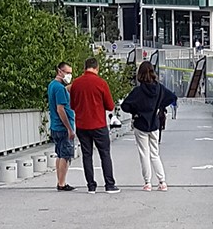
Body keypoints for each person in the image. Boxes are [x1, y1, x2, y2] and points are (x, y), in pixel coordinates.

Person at [119, 61, 177, 192]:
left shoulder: (138, 91)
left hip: (141, 125)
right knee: (155, 153)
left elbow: (125, 106)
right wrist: (160, 106)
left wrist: (135, 112)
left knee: (144, 153)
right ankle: (162, 182)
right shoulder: (160, 89)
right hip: (155, 124)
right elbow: (172, 97)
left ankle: (148, 182)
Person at [70, 57, 118, 193]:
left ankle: (91, 186)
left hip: (82, 125)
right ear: (97, 68)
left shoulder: (76, 83)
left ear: (85, 67)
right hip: (98, 124)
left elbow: (73, 105)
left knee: (87, 155)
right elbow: (110, 105)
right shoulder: (101, 83)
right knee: (105, 154)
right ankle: (109, 184)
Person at [47, 61, 76, 192]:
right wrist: (69, 128)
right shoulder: (59, 88)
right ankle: (62, 183)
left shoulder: (53, 85)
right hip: (63, 127)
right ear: (60, 71)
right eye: (67, 72)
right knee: (65, 155)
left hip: (54, 126)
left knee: (59, 154)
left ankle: (60, 180)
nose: (69, 75)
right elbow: (61, 109)